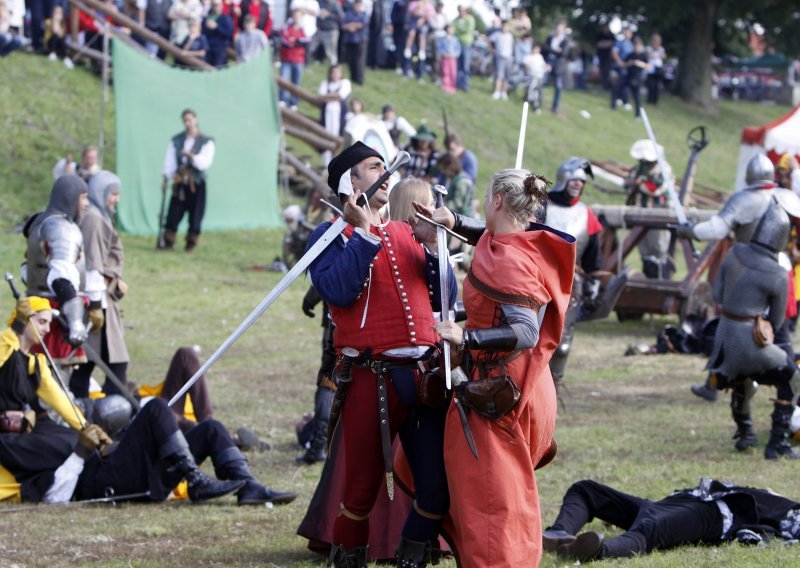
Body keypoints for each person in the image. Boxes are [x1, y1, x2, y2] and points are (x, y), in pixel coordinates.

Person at [304, 142, 456, 566]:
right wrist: (365, 235)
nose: (386, 174)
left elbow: (446, 296)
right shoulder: (327, 236)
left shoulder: (408, 230)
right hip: (372, 379)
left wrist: (433, 246)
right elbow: (336, 291)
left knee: (437, 488)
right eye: (374, 167)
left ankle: (410, 559)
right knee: (360, 492)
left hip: (423, 379)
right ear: (350, 181)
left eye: (386, 167)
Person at [430, 168, 575, 567]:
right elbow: (493, 240)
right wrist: (455, 222)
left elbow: (526, 330)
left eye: (485, 196)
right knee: (497, 495)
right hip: (520, 382)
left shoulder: (510, 260)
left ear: (497, 200)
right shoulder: (517, 243)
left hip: (501, 391)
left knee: (494, 502)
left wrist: (466, 338)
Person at [0, 297, 245, 505]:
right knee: (155, 408)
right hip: (106, 479)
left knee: (210, 428)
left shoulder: (36, 368)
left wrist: (86, 428)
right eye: (41, 322)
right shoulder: (14, 445)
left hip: (120, 461)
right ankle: (194, 479)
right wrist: (81, 450)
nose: (45, 329)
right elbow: (53, 494)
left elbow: (63, 402)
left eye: (47, 323)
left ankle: (248, 486)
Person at [703, 199, 800, 460]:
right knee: (793, 377)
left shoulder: (735, 252)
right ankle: (777, 443)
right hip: (750, 343)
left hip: (723, 339)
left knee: (742, 379)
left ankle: (745, 434)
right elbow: (777, 322)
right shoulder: (778, 273)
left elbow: (717, 293)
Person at [543, 478, 800, 562]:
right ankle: (559, 533)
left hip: (712, 515)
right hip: (680, 500)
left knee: (650, 529)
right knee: (586, 489)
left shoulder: (792, 512)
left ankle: (595, 551)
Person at [545, 158, 604, 393]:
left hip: (571, 286)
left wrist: (594, 286)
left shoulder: (585, 214)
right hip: (538, 280)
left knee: (562, 346)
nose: (579, 184)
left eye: (582, 180)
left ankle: (553, 392)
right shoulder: (542, 207)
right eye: (575, 179)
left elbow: (594, 258)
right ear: (563, 178)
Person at [69, 171, 130, 400]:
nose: (116, 199)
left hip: (101, 299)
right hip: (98, 301)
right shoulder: (93, 219)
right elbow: (93, 265)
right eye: (113, 194)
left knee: (86, 363)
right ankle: (107, 418)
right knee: (115, 364)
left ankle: (83, 415)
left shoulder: (96, 216)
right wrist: (96, 306)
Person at [23, 175, 90, 366]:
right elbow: (61, 278)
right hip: (54, 316)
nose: (86, 203)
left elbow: (31, 270)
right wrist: (76, 323)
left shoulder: (40, 222)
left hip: (37, 308)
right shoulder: (62, 228)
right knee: (54, 381)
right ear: (71, 197)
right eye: (84, 197)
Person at [160, 109, 216, 252]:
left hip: (196, 183)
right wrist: (167, 177)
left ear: (195, 120)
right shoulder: (177, 140)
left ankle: (191, 243)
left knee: (196, 214)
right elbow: (170, 162)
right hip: (180, 183)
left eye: (190, 119)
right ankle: (168, 241)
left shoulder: (206, 142)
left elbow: (205, 162)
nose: (187, 122)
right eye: (185, 120)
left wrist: (192, 156)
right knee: (174, 213)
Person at [624, 139, 673, 279]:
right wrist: (635, 183)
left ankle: (660, 276)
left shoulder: (664, 169)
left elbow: (655, 188)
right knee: (643, 247)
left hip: (659, 214)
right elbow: (628, 183)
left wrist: (640, 183)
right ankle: (648, 272)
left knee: (658, 247)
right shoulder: (637, 169)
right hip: (639, 212)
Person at [318, 64, 352, 165]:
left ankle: (337, 163)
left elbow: (341, 95)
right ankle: (326, 164)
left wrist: (328, 96)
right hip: (327, 114)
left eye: (337, 72)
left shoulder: (345, 83)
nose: (335, 74)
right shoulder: (325, 83)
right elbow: (321, 95)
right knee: (326, 136)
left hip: (340, 115)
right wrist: (333, 96)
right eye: (333, 72)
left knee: (338, 136)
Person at [279, 8, 309, 109]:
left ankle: (293, 102)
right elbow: (286, 41)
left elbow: (306, 41)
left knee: (296, 82)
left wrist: (295, 41)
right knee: (284, 80)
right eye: (295, 16)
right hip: (286, 58)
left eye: (298, 16)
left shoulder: (303, 29)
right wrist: (297, 42)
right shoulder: (286, 27)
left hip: (298, 59)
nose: (296, 18)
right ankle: (282, 99)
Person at [613, 36, 649, 118]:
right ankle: (613, 106)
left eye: (638, 46)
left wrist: (639, 63)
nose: (637, 48)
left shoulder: (643, 56)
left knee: (636, 97)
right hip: (628, 76)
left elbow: (648, 66)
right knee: (617, 88)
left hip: (637, 78)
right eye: (636, 46)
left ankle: (638, 115)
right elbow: (623, 65)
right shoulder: (631, 55)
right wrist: (628, 63)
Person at [436, 152, 473, 217]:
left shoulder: (462, 182)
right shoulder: (451, 179)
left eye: (444, 169)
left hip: (463, 219)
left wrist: (440, 205)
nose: (443, 172)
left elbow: (458, 204)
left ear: (451, 167)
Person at [341, 0, 368, 85]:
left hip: (360, 40)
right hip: (349, 39)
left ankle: (359, 79)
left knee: (359, 60)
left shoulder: (363, 14)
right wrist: (351, 26)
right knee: (350, 59)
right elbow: (343, 25)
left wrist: (352, 25)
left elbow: (363, 24)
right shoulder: (348, 14)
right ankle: (352, 77)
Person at [544, 20, 569, 114]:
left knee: (558, 87)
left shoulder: (565, 41)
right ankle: (537, 101)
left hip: (558, 66)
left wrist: (552, 50)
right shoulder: (550, 38)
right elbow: (545, 48)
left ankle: (555, 107)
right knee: (541, 82)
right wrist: (555, 50)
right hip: (548, 63)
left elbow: (563, 53)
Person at [202, 0, 234, 68]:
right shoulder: (206, 18)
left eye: (218, 5)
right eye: (214, 4)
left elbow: (228, 33)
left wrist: (217, 27)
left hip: (220, 49)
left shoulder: (226, 18)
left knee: (218, 70)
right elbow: (203, 33)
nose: (216, 7)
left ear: (221, 6)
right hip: (208, 48)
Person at [308, 0, 341, 65]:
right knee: (310, 47)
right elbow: (317, 14)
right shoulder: (320, 2)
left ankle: (333, 68)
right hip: (319, 30)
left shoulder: (335, 4)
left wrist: (329, 14)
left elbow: (341, 16)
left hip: (331, 31)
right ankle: (305, 64)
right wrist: (317, 25)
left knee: (330, 52)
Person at [610, 26, 634, 110]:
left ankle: (624, 101)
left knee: (625, 85)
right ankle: (616, 101)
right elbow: (614, 52)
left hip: (628, 68)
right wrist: (619, 62)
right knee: (618, 85)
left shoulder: (631, 44)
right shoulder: (620, 42)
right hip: (620, 67)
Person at [453, 4, 475, 92]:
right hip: (457, 44)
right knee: (458, 65)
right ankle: (458, 84)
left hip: (466, 44)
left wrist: (457, 30)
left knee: (465, 66)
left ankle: (465, 85)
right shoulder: (455, 19)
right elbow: (452, 29)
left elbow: (467, 29)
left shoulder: (470, 19)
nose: (461, 12)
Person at [489, 20, 513, 100]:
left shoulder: (510, 36)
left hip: (508, 58)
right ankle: (497, 91)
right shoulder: (497, 34)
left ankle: (504, 92)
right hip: (500, 58)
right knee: (499, 75)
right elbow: (489, 40)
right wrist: (492, 49)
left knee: (506, 76)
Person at [523, 43, 549, 113]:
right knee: (531, 91)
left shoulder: (540, 57)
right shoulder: (529, 57)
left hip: (539, 77)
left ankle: (537, 106)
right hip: (531, 76)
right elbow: (525, 64)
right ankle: (529, 103)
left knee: (538, 92)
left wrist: (547, 67)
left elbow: (544, 65)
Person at [436, 23, 460, 93]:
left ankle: (452, 86)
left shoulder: (455, 39)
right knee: (445, 71)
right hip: (445, 58)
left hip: (453, 58)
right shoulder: (442, 39)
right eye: (450, 28)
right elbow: (440, 48)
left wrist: (454, 55)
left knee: (452, 72)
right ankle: (445, 85)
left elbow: (458, 49)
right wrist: (444, 54)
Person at [645, 33, 666, 105]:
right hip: (650, 69)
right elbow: (649, 55)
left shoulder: (661, 49)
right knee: (650, 84)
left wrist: (658, 52)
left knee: (657, 85)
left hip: (658, 69)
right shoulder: (649, 48)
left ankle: (655, 100)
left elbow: (663, 56)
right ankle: (649, 99)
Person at [595, 21, 615, 90]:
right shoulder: (599, 34)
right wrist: (606, 43)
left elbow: (612, 44)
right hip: (601, 56)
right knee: (602, 71)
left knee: (607, 71)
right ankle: (604, 85)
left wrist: (603, 43)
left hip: (608, 57)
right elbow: (598, 44)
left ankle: (607, 86)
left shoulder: (611, 35)